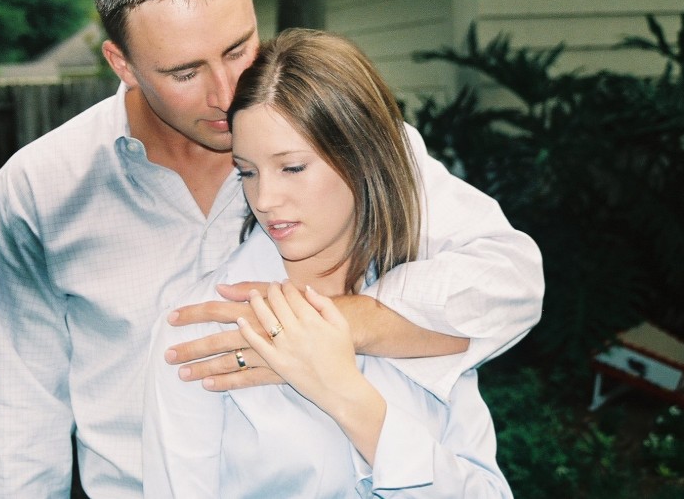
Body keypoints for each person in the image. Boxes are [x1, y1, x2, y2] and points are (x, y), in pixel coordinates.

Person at [0, 0, 543, 498]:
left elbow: (512, 283)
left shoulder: (348, 146)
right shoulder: (37, 193)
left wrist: (326, 329)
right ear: (124, 64)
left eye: (237, 46)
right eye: (184, 71)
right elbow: (19, 422)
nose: (225, 93)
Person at [143, 29, 516, 498]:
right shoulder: (200, 331)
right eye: (247, 171)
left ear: (363, 159)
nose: (265, 198)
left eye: (292, 167)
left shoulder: (427, 306)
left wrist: (350, 398)